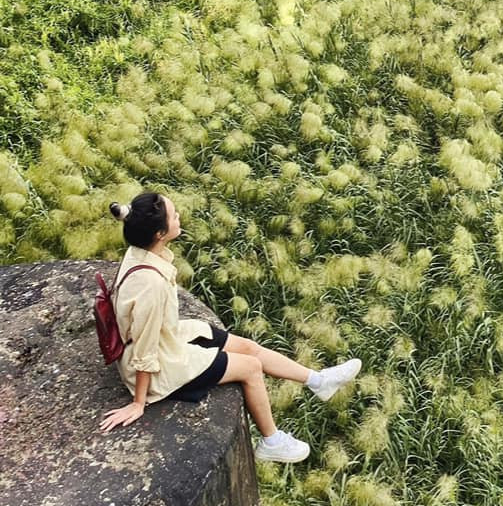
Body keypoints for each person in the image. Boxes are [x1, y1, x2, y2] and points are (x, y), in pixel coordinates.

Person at [98, 191, 361, 463]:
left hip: (169, 338)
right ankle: (272, 441)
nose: (179, 217)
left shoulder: (140, 251)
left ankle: (319, 381)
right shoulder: (151, 285)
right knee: (251, 367)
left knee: (248, 347)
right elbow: (146, 349)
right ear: (160, 234)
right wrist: (139, 403)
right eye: (174, 216)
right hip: (161, 366)